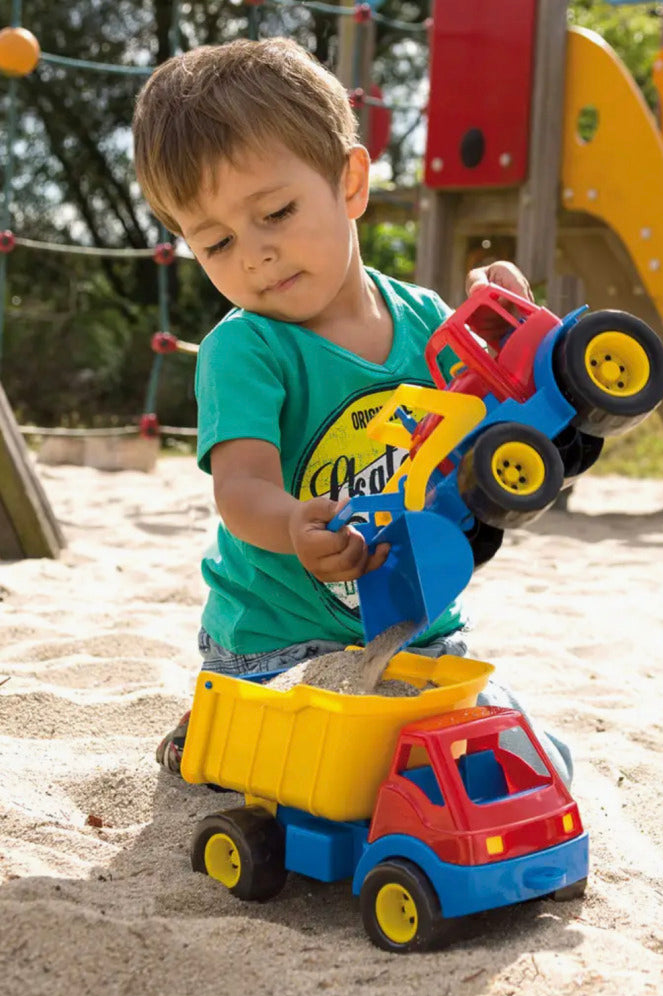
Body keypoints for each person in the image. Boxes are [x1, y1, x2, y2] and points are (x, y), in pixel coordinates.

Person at [132, 37, 572, 785]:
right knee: (345, 783)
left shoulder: (430, 322)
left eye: (275, 212)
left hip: (420, 634)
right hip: (279, 643)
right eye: (216, 242)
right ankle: (221, 715)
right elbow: (240, 488)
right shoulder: (245, 350)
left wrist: (515, 328)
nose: (255, 255)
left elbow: (511, 432)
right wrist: (291, 524)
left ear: (350, 183)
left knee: (538, 764)